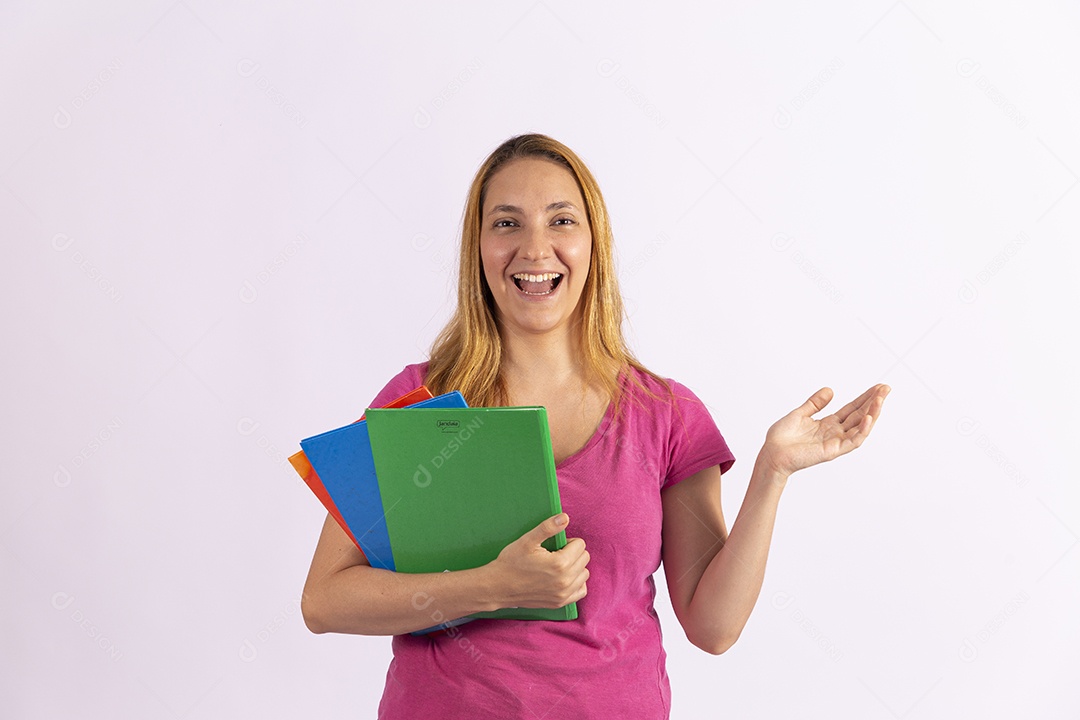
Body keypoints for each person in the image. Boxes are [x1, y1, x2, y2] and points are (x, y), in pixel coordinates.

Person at [301, 133, 890, 718]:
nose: (535, 248)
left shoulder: (668, 415)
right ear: (477, 248)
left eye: (561, 221)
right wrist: (494, 587)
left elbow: (713, 628)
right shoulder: (418, 401)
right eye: (507, 223)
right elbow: (325, 601)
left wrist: (772, 473)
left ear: (594, 243)